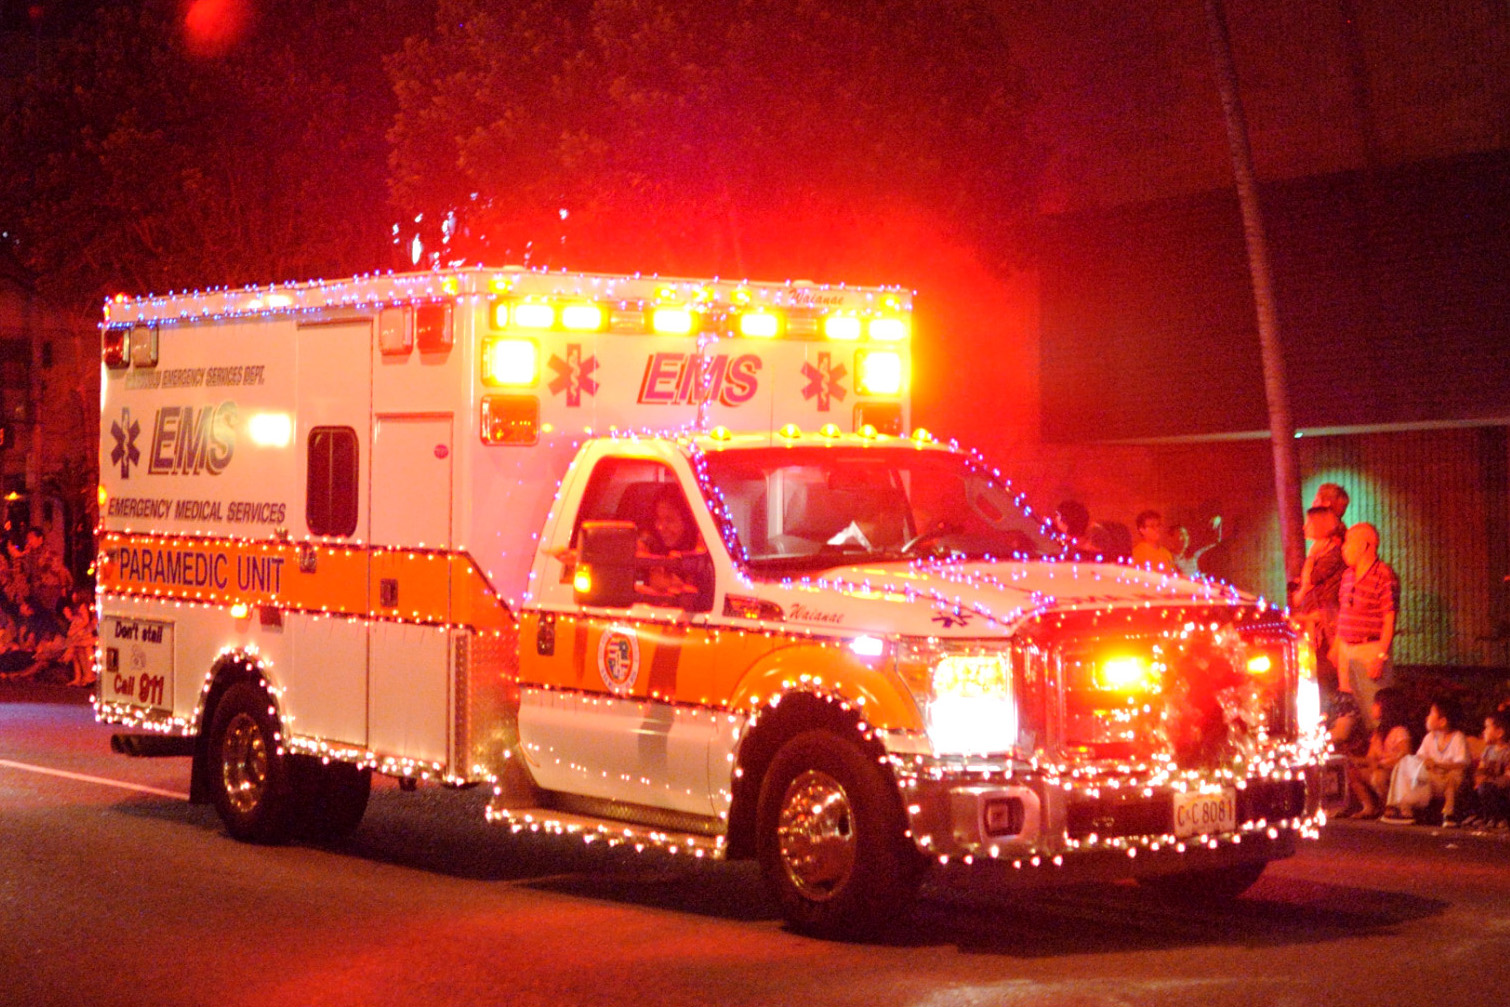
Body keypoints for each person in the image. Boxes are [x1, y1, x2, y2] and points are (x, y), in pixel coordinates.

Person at [1331, 523, 1398, 734]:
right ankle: (1346, 735)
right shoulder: (1347, 576)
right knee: (1347, 695)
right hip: (1346, 646)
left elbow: (1389, 617)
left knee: (1374, 703)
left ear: (1364, 546)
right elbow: (1344, 611)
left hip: (1370, 645)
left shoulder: (1384, 575)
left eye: (1349, 542)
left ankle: (1378, 744)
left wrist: (1381, 655)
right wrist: (1336, 644)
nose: (1343, 547)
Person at [1383, 696, 1471, 826]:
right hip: (1434, 780)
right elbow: (1420, 757)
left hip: (1449, 780)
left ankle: (1449, 812)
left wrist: (1438, 765)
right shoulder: (1429, 738)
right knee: (1406, 763)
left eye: (1431, 714)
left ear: (1442, 721)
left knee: (1453, 777)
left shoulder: (1458, 738)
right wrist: (1424, 762)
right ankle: (1401, 807)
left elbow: (1463, 763)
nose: (1427, 717)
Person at [1293, 506, 1346, 696]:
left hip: (1326, 624)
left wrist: (1310, 558)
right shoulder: (1323, 552)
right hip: (1317, 622)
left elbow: (1312, 579)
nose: (1304, 527)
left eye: (1308, 523)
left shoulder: (1332, 555)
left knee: (1325, 676)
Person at [1344, 686, 1412, 819]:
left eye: (1376, 704)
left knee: (1379, 777)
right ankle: (1369, 806)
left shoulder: (1399, 732)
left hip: (1394, 773)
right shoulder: (1379, 733)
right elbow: (1371, 758)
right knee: (1353, 773)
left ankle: (1391, 807)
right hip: (1379, 770)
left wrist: (1382, 764)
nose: (1372, 707)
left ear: (1386, 707)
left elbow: (1405, 757)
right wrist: (1354, 760)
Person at [635, 484, 708, 605]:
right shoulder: (649, 543)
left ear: (687, 521)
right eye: (658, 519)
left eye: (669, 520)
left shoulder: (700, 552)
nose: (661, 527)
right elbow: (634, 585)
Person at [1469, 710, 1510, 828]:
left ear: (1499, 732)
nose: (1484, 731)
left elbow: (1507, 777)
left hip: (1502, 789)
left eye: (1487, 727)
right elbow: (1481, 769)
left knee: (1487, 789)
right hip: (1488, 785)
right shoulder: (1488, 750)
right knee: (1473, 787)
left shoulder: (1507, 752)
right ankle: (1483, 817)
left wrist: (1490, 783)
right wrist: (1479, 779)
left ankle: (1499, 818)